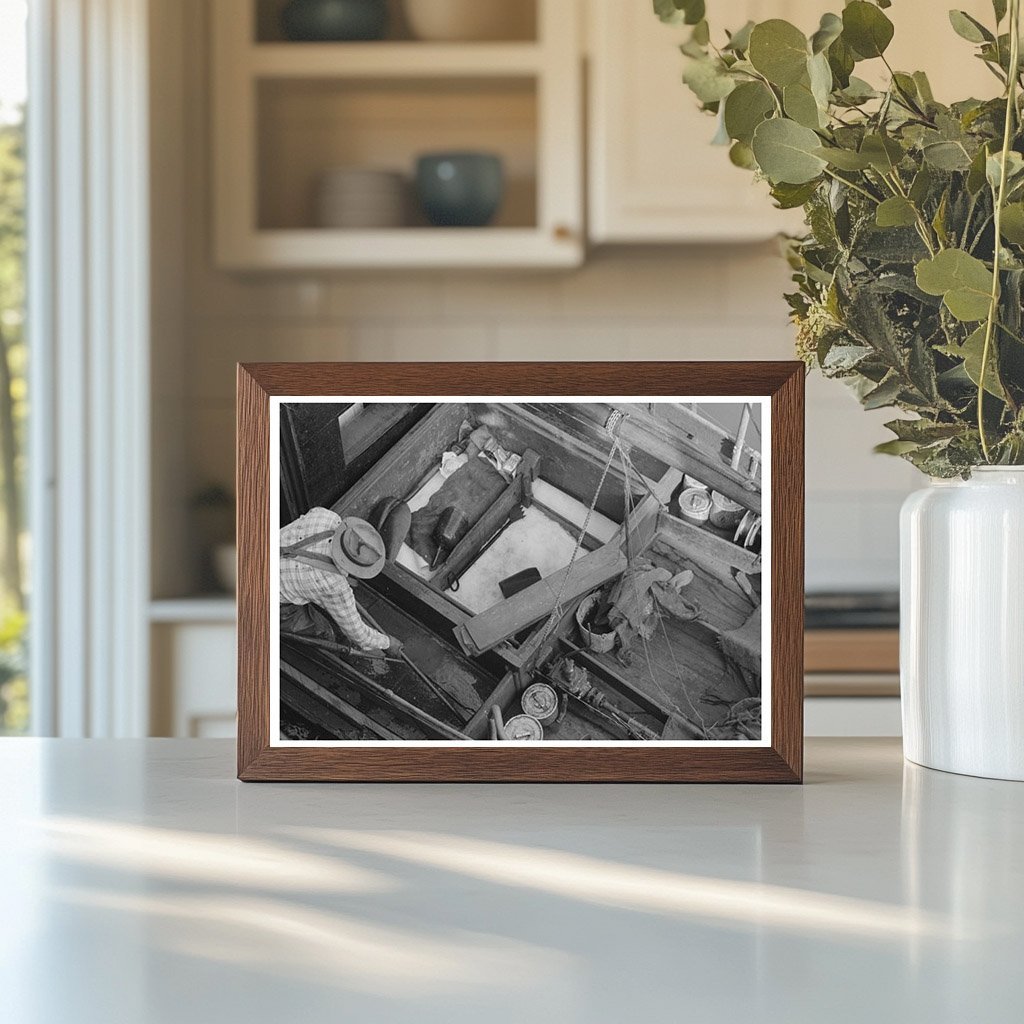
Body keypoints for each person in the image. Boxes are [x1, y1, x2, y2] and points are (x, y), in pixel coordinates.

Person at [279, 507, 403, 655]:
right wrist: (388, 643)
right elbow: (359, 635)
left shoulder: (326, 516)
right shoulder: (335, 586)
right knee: (324, 632)